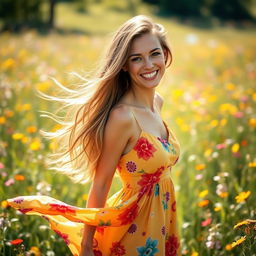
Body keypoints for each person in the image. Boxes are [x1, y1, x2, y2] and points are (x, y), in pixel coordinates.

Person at [7, 15, 181, 256]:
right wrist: (87, 247)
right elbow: (100, 184)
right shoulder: (123, 118)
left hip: (163, 223)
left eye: (154, 53)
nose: (149, 65)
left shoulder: (157, 103)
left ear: (165, 54)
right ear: (124, 65)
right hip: (134, 231)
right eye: (136, 59)